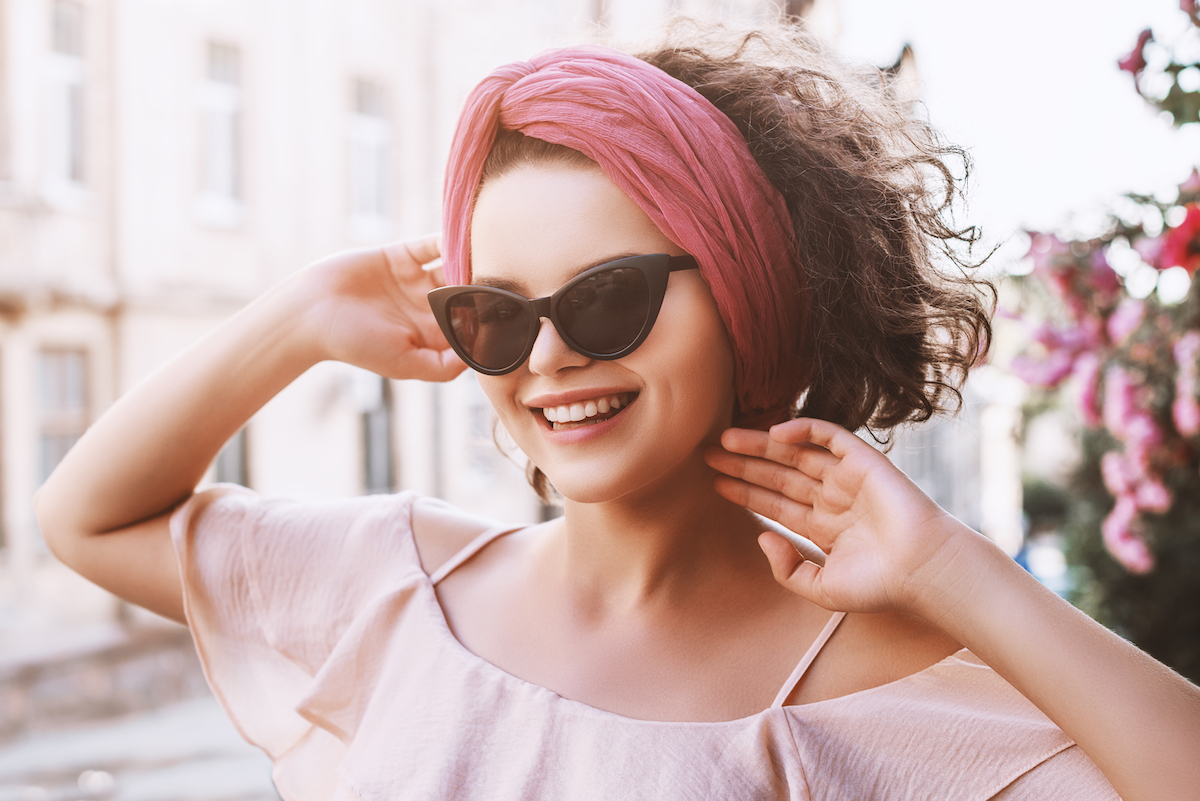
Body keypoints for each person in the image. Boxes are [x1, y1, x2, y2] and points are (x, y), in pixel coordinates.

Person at [34, 21, 1200, 801]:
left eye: (607, 298)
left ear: (744, 293)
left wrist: (951, 567)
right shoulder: (396, 583)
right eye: (493, 314)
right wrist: (296, 317)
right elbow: (87, 518)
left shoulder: (880, 678)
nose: (545, 357)